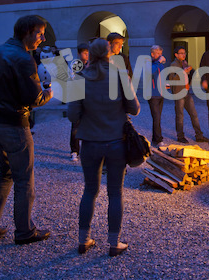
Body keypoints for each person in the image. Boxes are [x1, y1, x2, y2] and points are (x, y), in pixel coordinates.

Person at [0, 15, 53, 244]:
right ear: (28, 32)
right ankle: (25, 231)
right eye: (40, 33)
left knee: (5, 172)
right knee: (23, 179)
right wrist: (50, 91)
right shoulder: (23, 58)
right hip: (14, 126)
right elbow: (34, 98)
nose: (43, 38)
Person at [67, 39, 140, 256]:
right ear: (109, 53)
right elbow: (134, 109)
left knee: (89, 190)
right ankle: (114, 243)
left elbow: (72, 115)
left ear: (90, 54)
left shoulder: (79, 78)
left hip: (90, 141)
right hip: (117, 141)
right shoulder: (120, 75)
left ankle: (83, 240)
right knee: (115, 192)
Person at [169, 46, 208, 143]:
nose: (183, 55)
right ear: (176, 55)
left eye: (184, 53)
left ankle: (199, 136)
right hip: (178, 93)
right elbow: (172, 79)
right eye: (181, 53)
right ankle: (180, 136)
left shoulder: (184, 63)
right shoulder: (173, 65)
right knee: (180, 115)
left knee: (194, 114)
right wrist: (183, 72)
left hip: (186, 92)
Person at [69, 43, 89, 162]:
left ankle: (85, 150)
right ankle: (74, 150)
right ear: (79, 53)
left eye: (88, 53)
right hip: (77, 97)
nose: (87, 55)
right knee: (75, 126)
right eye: (85, 53)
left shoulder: (90, 65)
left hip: (87, 98)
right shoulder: (75, 64)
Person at [148, 45, 166, 146]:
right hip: (152, 95)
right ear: (152, 54)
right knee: (156, 117)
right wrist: (158, 62)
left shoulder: (160, 65)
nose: (160, 55)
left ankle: (155, 139)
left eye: (160, 53)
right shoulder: (148, 63)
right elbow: (150, 72)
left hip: (161, 94)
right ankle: (159, 140)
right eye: (158, 53)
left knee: (157, 118)